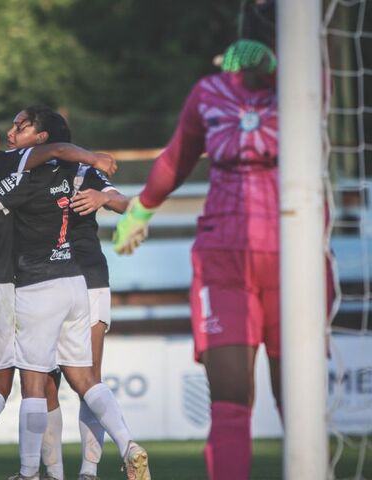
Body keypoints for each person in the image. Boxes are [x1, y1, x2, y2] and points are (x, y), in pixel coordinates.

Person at [0, 107, 151, 480]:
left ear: (44, 139)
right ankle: (97, 460)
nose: (11, 132)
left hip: (49, 283)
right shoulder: (25, 169)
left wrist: (101, 197)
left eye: (21, 126)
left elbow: (126, 204)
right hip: (77, 280)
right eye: (8, 126)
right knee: (74, 380)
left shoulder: (31, 173)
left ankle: (57, 472)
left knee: (43, 384)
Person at [114, 3, 286, 479]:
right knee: (231, 403)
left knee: (299, 401)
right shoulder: (209, 92)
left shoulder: (304, 86)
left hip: (295, 258)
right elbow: (178, 156)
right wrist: (141, 208)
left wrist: (272, 68)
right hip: (224, 260)